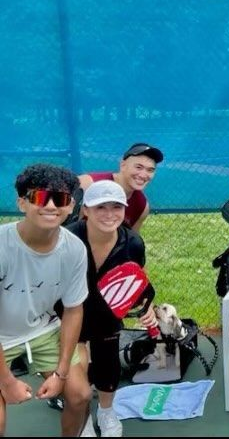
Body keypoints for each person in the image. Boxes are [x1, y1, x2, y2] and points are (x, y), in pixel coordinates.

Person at [0, 163, 92, 437]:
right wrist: (7, 382)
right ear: (22, 203)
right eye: (40, 197)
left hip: (43, 329)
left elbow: (74, 310)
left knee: (80, 395)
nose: (51, 206)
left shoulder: (74, 249)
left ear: (70, 205)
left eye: (60, 199)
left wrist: (61, 373)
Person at [66, 180, 158, 437]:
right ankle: (82, 417)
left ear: (125, 210)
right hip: (70, 310)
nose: (109, 214)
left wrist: (146, 306)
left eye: (116, 207)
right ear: (86, 210)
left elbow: (136, 279)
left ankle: (106, 412)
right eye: (100, 207)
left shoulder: (133, 244)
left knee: (107, 360)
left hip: (106, 312)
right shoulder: (68, 238)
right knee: (77, 367)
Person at [77, 142, 164, 232]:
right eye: (138, 167)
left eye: (150, 170)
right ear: (123, 165)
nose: (143, 175)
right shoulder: (87, 184)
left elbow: (131, 242)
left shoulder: (142, 206)